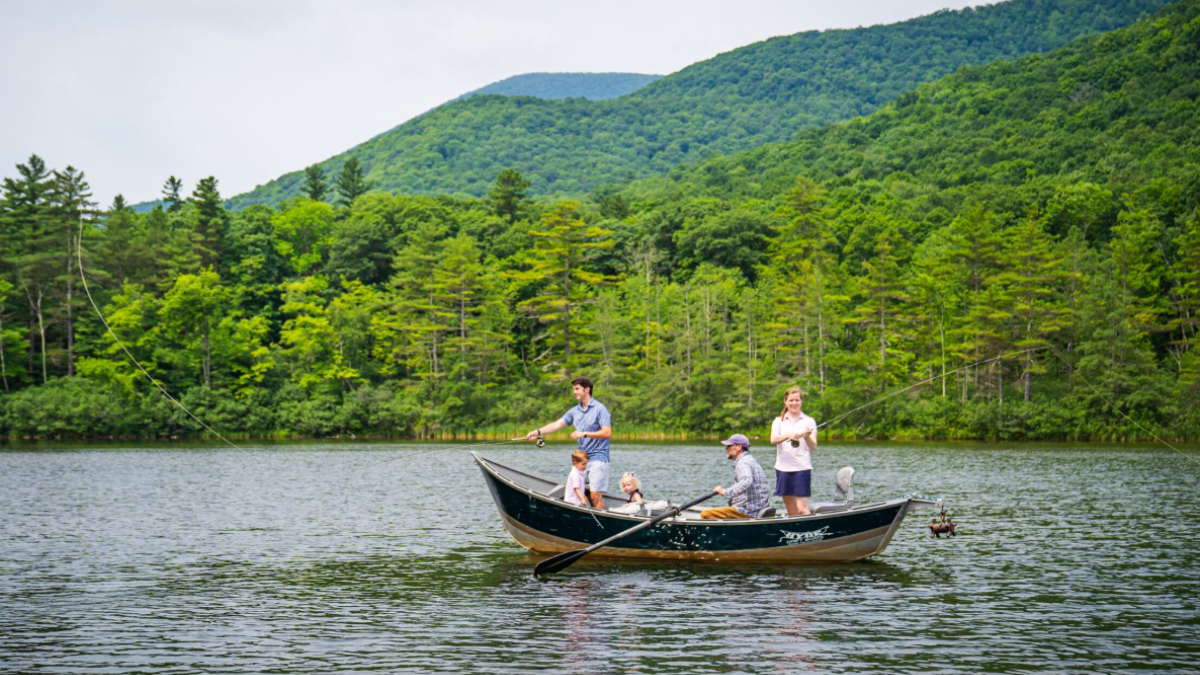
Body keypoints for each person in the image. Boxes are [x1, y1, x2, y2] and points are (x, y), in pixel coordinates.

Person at [526, 376, 612, 509]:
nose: (574, 392)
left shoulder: (600, 409)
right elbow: (556, 425)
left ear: (587, 389)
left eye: (577, 389)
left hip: (599, 458)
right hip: (582, 460)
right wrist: (537, 432)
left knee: (595, 496)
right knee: (582, 493)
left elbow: (607, 433)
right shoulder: (574, 412)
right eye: (573, 389)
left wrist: (584, 434)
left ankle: (605, 527)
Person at [771, 386, 818, 516]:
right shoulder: (778, 421)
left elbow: (813, 447)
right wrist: (789, 435)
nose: (794, 403)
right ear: (785, 401)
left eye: (797, 400)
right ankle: (796, 535)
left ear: (801, 401)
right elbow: (773, 439)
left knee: (802, 509)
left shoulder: (809, 421)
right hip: (783, 468)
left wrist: (807, 436)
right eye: (791, 400)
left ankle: (809, 533)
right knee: (792, 511)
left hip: (802, 468)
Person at [701, 434, 769, 520]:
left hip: (747, 512)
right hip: (756, 510)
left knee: (705, 514)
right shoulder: (750, 459)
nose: (725, 449)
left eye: (729, 446)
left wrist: (725, 492)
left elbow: (747, 481)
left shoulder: (743, 462)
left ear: (739, 447)